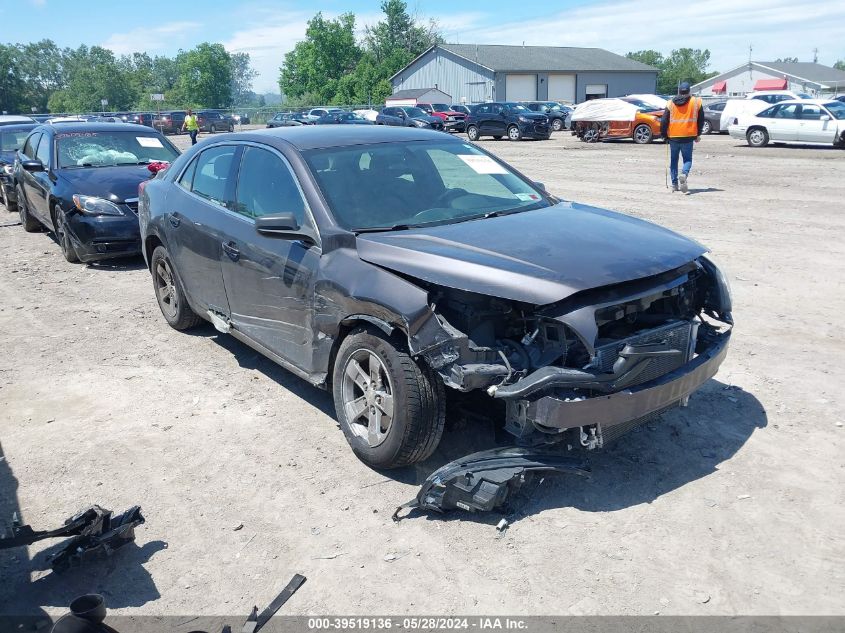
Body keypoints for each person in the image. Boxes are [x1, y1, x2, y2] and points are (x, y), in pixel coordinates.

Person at [660, 82, 704, 194]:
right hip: (688, 136)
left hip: (674, 137)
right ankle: (684, 173)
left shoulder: (670, 103)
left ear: (679, 91)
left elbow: (664, 120)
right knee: (687, 159)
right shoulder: (696, 102)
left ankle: (674, 185)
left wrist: (664, 135)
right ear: (689, 91)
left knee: (674, 161)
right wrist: (698, 134)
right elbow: (701, 120)